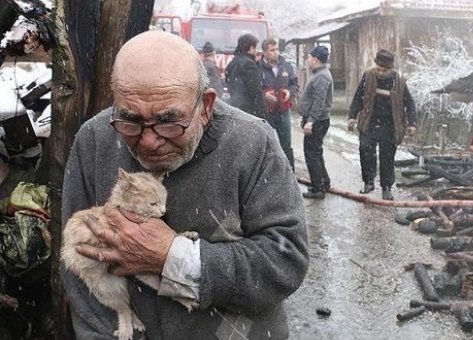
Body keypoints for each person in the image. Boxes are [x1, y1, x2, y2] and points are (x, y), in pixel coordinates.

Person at [60, 31, 308, 340]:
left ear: (206, 105)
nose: (149, 141)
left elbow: (286, 262)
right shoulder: (94, 140)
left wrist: (173, 257)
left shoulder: (254, 142)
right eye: (130, 120)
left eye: (169, 121)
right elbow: (77, 271)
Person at [348, 49, 417, 200]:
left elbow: (410, 103)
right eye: (378, 68)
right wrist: (352, 116)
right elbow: (358, 97)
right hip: (369, 122)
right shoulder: (368, 75)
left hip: (390, 125)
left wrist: (412, 123)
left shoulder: (399, 81)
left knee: (387, 157)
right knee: (365, 150)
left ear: (390, 69)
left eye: (383, 70)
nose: (380, 72)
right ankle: (368, 182)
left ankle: (386, 188)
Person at [258, 38, 298, 171]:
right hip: (266, 113)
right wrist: (264, 96)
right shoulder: (258, 67)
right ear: (264, 52)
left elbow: (294, 84)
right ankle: (268, 174)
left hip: (283, 111)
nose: (276, 53)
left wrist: (289, 91)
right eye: (272, 50)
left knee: (286, 145)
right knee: (265, 145)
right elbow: (253, 89)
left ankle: (290, 174)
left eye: (277, 49)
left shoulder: (285, 66)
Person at [298, 45, 333, 199]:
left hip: (317, 121)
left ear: (316, 59)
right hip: (318, 119)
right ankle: (324, 182)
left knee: (312, 154)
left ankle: (317, 188)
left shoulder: (321, 76)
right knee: (316, 152)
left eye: (309, 57)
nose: (308, 60)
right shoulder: (320, 74)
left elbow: (319, 102)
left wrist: (310, 121)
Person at [225, 33, 267, 118]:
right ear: (251, 48)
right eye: (255, 48)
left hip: (235, 110)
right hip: (249, 113)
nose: (256, 52)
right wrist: (263, 114)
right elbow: (255, 92)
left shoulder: (231, 64)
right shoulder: (250, 65)